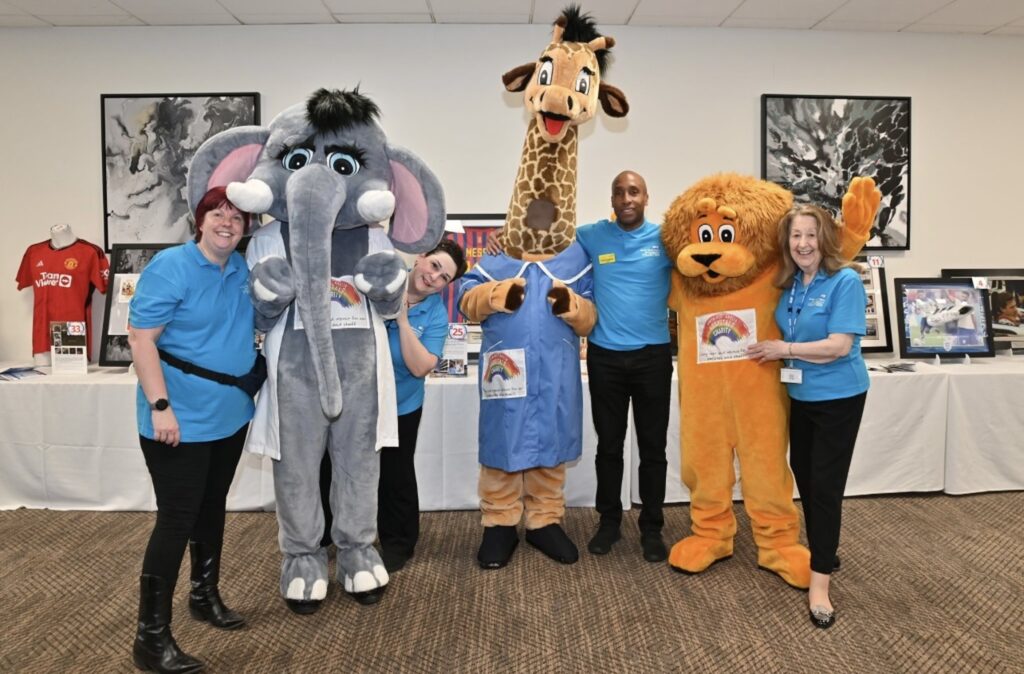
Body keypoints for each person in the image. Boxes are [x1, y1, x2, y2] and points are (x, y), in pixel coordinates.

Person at [128, 186, 256, 672]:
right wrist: (161, 405)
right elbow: (141, 339)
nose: (228, 222)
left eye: (237, 217)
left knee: (211, 508)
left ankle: (204, 596)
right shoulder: (171, 266)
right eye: (218, 214)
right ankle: (151, 639)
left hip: (229, 417)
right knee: (176, 521)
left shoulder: (240, 268)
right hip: (179, 421)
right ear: (199, 220)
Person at [747, 203, 870, 629]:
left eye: (811, 235)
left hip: (839, 396)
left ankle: (820, 586)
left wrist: (785, 351)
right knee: (803, 471)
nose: (803, 244)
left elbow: (838, 345)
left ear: (826, 239)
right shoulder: (792, 284)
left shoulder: (845, 281)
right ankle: (826, 547)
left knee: (824, 486)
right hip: (801, 396)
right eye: (796, 236)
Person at [320, 239, 467, 572]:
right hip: (351, 400)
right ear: (421, 257)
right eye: (434, 266)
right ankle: (324, 534)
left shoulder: (435, 315)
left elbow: (420, 366)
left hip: (401, 406)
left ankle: (398, 541)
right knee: (333, 465)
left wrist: (401, 321)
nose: (433, 277)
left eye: (444, 277)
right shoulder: (378, 280)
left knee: (395, 474)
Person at [576, 171, 673, 563]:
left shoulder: (666, 238)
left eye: (633, 191)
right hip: (605, 358)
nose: (626, 198)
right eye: (619, 192)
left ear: (646, 197)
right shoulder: (591, 235)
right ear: (612, 200)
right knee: (609, 446)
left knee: (654, 448)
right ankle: (609, 523)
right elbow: (543, 242)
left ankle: (652, 528)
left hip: (653, 357)